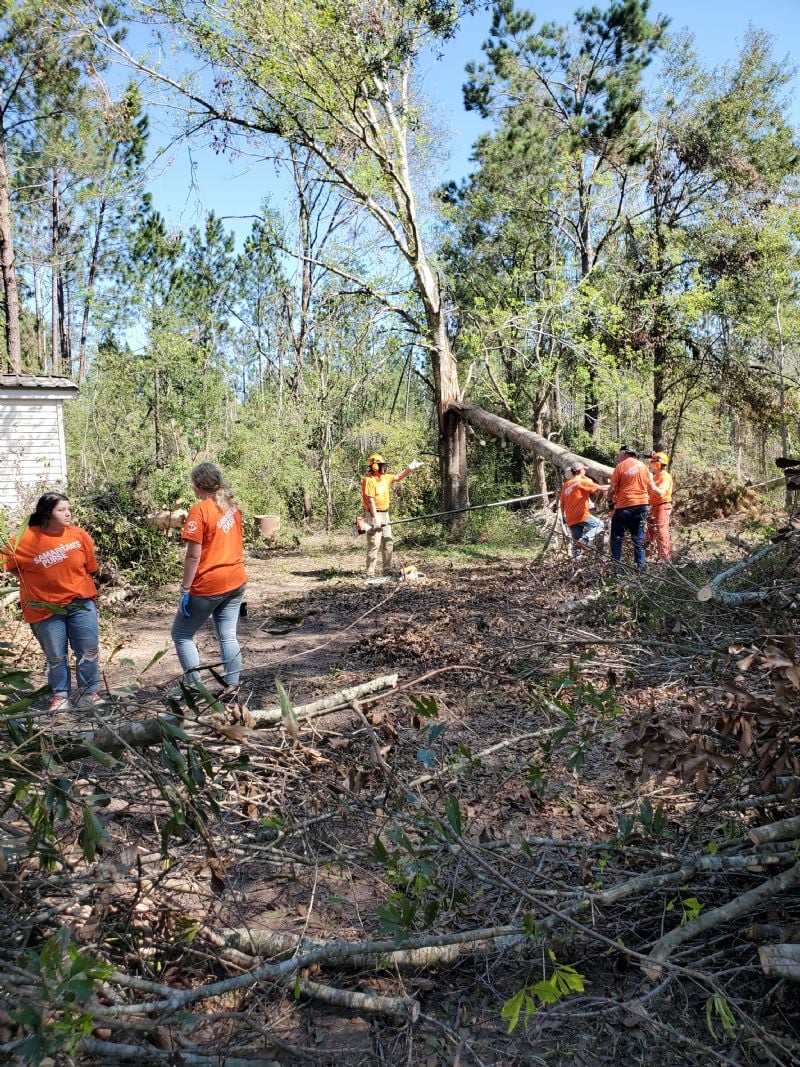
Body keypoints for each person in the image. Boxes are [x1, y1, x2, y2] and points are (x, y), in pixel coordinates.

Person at [1, 492, 102, 709]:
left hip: (80, 602)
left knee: (88, 650)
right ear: (47, 513)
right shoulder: (24, 539)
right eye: (61, 510)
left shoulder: (79, 535)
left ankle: (89, 693)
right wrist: (30, 580)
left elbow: (91, 568)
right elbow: (10, 566)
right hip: (45, 607)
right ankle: (61, 696)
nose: (68, 514)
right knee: (56, 655)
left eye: (69, 509)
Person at [171, 463, 247, 697]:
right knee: (228, 635)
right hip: (236, 580)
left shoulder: (200, 510)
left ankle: (194, 687)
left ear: (197, 485)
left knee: (181, 634)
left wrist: (185, 588)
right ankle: (233, 685)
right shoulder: (231, 507)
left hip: (209, 584)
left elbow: (193, 555)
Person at [361, 453, 422, 578]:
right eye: (381, 465)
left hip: (385, 513)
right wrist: (376, 518)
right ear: (374, 466)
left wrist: (410, 468)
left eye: (384, 465)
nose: (384, 467)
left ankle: (386, 569)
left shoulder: (385, 478)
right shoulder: (369, 480)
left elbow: (398, 477)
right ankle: (370, 572)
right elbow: (371, 500)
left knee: (388, 542)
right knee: (374, 543)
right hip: (373, 514)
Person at [608, 445, 664, 571]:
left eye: (619, 454)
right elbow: (650, 486)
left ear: (623, 453)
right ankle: (641, 568)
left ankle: (616, 568)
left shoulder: (620, 466)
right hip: (642, 506)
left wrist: (609, 503)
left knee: (616, 538)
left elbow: (611, 489)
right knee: (638, 538)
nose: (618, 457)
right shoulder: (643, 467)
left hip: (624, 506)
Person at [560, 462, 609, 558]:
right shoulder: (581, 481)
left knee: (576, 543)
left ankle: (576, 562)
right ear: (580, 470)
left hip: (570, 518)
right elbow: (601, 488)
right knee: (600, 525)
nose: (585, 471)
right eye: (584, 470)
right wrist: (616, 485)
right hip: (582, 515)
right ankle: (585, 539)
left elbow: (562, 503)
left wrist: (563, 517)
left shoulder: (566, 485)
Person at [646, 451, 673, 562]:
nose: (651, 465)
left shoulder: (665, 476)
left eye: (653, 463)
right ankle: (647, 556)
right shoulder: (655, 476)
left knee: (661, 531)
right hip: (653, 506)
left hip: (662, 506)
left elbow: (661, 493)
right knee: (649, 532)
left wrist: (651, 483)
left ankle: (665, 558)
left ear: (658, 464)